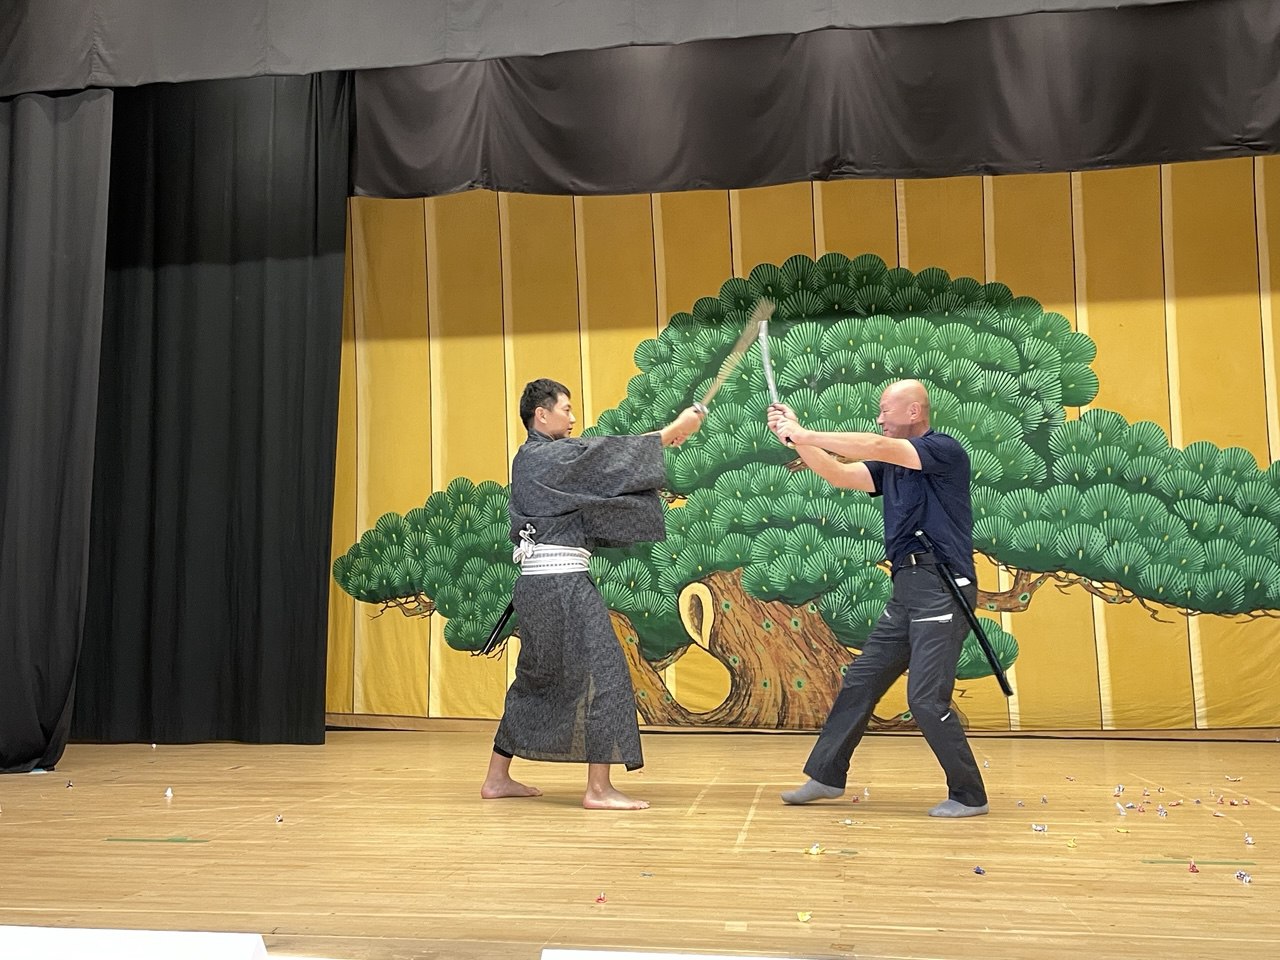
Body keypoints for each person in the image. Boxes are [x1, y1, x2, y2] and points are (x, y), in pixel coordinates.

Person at [766, 379, 988, 817]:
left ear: (913, 412)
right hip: (907, 587)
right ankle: (826, 777)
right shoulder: (892, 465)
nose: (879, 418)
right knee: (861, 681)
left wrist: (804, 433)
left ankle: (969, 795)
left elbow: (870, 445)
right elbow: (838, 473)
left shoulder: (943, 450)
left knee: (925, 699)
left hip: (943, 587)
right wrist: (792, 436)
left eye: (885, 409)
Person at [481, 378, 705, 810]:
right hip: (561, 586)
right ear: (541, 415)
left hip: (539, 587)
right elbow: (596, 457)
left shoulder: (534, 460)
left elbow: (596, 463)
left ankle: (496, 778)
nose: (572, 417)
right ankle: (598, 789)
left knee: (536, 678)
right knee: (606, 676)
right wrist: (666, 432)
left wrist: (666, 437)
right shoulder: (543, 457)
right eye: (565, 408)